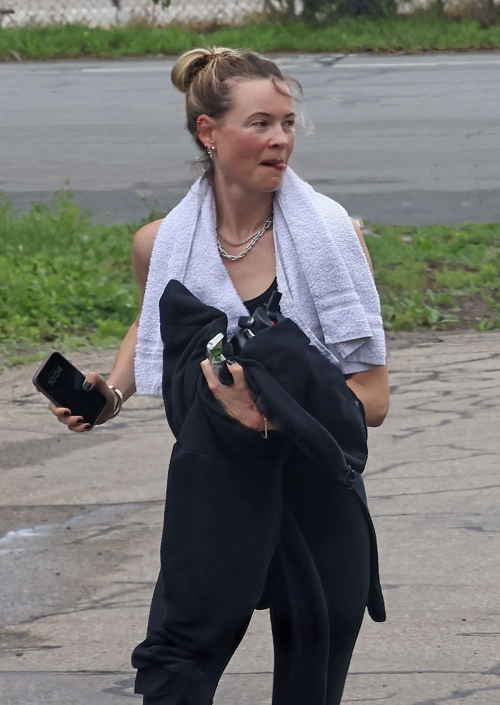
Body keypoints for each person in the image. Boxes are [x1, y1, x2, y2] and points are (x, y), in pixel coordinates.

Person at [49, 47, 390, 704]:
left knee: (312, 672)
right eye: (260, 123)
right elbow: (151, 318)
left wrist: (281, 411)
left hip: (315, 490)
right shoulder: (161, 244)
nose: (281, 139)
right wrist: (111, 392)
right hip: (216, 488)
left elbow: (372, 401)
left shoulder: (333, 238)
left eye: (287, 122)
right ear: (209, 132)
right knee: (175, 664)